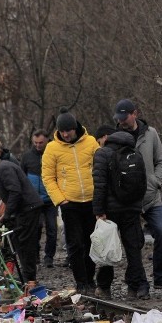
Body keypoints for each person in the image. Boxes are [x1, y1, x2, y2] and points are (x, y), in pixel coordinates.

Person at [114, 99, 162, 291]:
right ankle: (137, 279)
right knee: (134, 242)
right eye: (119, 118)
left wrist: (155, 181)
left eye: (125, 117)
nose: (122, 122)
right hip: (128, 200)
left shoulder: (151, 134)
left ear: (135, 114)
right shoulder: (115, 137)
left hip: (151, 196)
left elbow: (161, 161)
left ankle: (160, 275)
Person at [42, 111, 100, 294]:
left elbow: (100, 167)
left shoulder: (91, 142)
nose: (66, 134)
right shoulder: (52, 148)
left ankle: (91, 279)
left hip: (91, 200)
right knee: (75, 244)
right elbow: (48, 177)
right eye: (62, 131)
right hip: (70, 203)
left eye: (69, 130)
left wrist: (100, 194)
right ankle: (81, 282)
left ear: (75, 128)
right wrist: (61, 200)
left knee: (91, 242)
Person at [92, 131, 150, 300]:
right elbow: (142, 183)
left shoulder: (102, 153)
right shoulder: (135, 153)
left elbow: (100, 184)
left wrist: (98, 210)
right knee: (133, 249)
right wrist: (137, 206)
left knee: (107, 248)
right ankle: (133, 288)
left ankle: (104, 287)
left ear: (105, 138)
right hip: (131, 209)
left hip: (110, 210)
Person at [0, 157, 44, 285]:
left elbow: (15, 191)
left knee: (25, 243)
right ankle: (27, 276)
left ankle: (29, 278)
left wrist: (7, 214)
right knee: (20, 242)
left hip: (28, 209)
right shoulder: (3, 168)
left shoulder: (4, 169)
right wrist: (7, 214)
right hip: (24, 209)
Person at [21, 129, 61, 268]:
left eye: (41, 143)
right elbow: (22, 177)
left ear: (47, 141)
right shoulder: (27, 156)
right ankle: (36, 254)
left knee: (52, 229)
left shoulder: (53, 153)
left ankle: (49, 257)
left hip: (51, 199)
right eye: (35, 143)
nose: (38, 145)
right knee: (36, 228)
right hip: (34, 200)